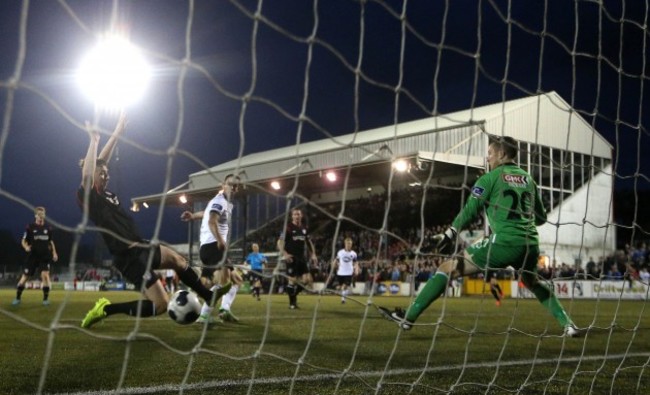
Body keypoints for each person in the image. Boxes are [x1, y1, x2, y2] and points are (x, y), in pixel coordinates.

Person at [379, 136, 580, 337]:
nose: (488, 159)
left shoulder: (489, 178)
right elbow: (541, 218)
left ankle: (408, 318)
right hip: (530, 244)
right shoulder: (529, 179)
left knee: (446, 269)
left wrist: (450, 233)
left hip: (503, 242)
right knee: (533, 283)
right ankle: (568, 324)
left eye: (490, 154)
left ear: (501, 155)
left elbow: (470, 210)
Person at [78, 115, 230, 328]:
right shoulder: (89, 197)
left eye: (107, 173)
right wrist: (93, 141)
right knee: (160, 305)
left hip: (141, 245)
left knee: (178, 260)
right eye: (102, 174)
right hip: (128, 257)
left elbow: (101, 162)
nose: (106, 176)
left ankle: (208, 296)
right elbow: (90, 173)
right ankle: (106, 309)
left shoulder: (105, 192)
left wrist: (118, 131)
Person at [181, 174, 240, 323]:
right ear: (223, 185)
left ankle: (224, 310)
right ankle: (201, 312)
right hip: (213, 245)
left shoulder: (223, 203)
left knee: (236, 280)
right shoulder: (220, 201)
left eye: (236, 186)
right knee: (223, 282)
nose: (233, 188)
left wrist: (193, 216)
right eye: (230, 184)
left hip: (211, 247)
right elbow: (212, 221)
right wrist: (221, 241)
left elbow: (206, 213)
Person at [12, 206, 58, 306]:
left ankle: (45, 300)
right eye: (39, 214)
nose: (41, 216)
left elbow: (51, 242)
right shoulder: (30, 227)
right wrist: (26, 247)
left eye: (42, 214)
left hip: (44, 257)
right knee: (25, 278)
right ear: (35, 215)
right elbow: (23, 240)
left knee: (45, 276)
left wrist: (54, 252)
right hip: (32, 256)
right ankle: (17, 298)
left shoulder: (48, 228)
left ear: (44, 215)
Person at [277, 207, 318, 309]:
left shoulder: (304, 229)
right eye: (295, 214)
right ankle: (292, 303)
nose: (297, 216)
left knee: (307, 280)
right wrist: (285, 254)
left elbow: (309, 243)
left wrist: (313, 254)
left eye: (298, 214)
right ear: (292, 216)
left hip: (301, 258)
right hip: (291, 257)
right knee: (292, 280)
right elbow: (279, 242)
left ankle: (294, 295)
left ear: (301, 216)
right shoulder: (288, 228)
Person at [333, 237, 359, 304]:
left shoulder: (354, 254)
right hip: (340, 273)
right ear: (345, 244)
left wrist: (356, 269)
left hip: (349, 273)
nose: (349, 245)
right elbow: (336, 260)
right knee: (340, 287)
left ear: (351, 244)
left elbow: (356, 263)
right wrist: (334, 264)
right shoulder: (340, 252)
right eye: (347, 243)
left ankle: (343, 300)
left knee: (344, 287)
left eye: (350, 244)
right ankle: (345, 292)